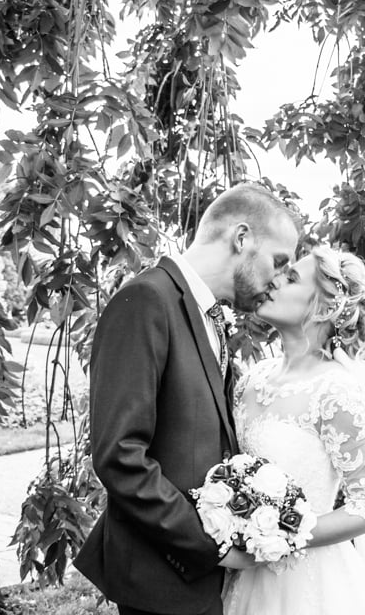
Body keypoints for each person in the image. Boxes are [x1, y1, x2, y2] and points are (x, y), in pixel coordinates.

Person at [74, 183, 301, 615]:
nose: (277, 279)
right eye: (278, 261)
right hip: (163, 577)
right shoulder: (146, 300)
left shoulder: (210, 316)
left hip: (201, 584)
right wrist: (210, 546)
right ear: (241, 238)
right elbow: (119, 456)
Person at [223, 245, 365, 615]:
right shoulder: (251, 380)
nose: (273, 280)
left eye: (291, 278)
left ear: (324, 307)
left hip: (310, 584)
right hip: (244, 579)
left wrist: (274, 536)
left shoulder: (338, 390)